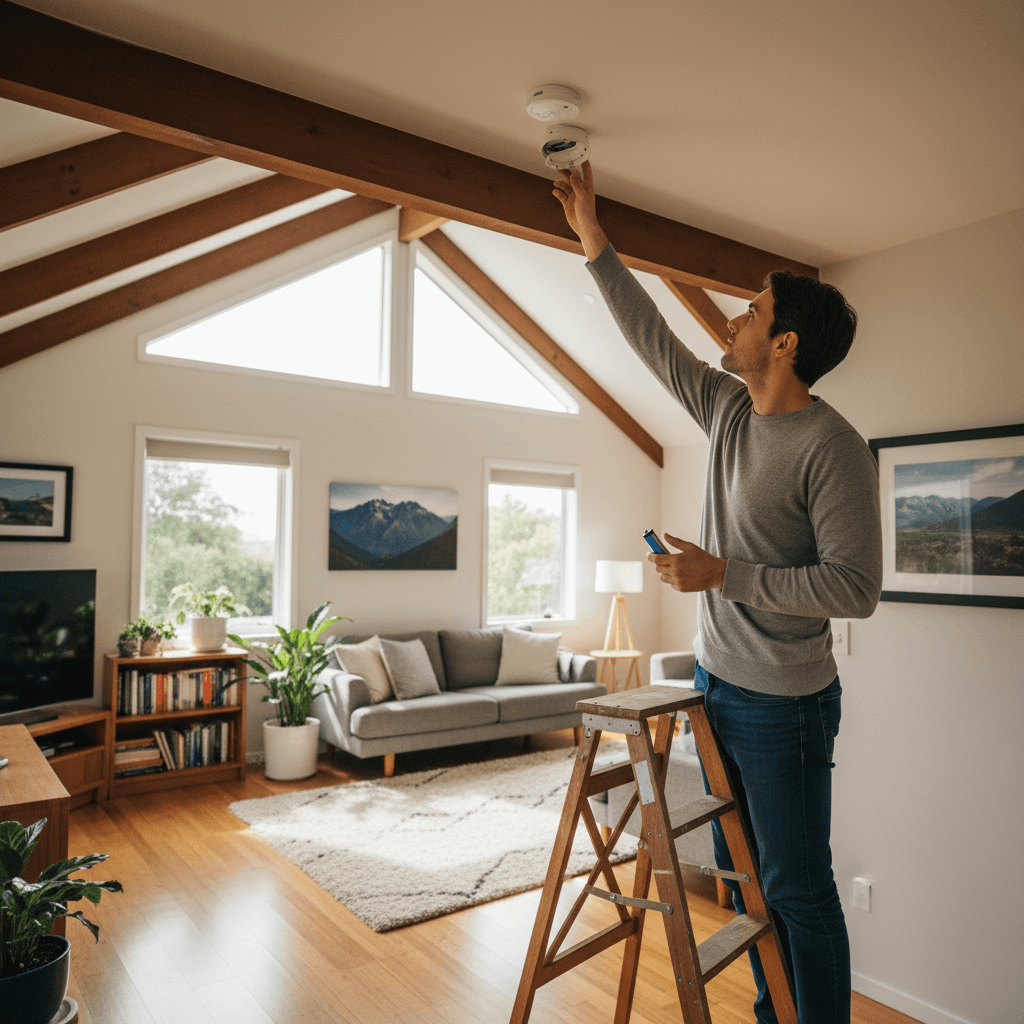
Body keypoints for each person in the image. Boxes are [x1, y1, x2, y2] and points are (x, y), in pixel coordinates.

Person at [553, 161, 882, 1024]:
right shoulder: (728, 409)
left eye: (752, 311)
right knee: (745, 883)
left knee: (797, 887)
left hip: (787, 706)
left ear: (785, 345)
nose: (733, 320)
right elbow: (650, 337)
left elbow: (855, 588)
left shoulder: (832, 447)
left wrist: (720, 574)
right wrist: (594, 234)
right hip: (715, 685)